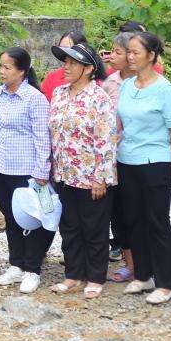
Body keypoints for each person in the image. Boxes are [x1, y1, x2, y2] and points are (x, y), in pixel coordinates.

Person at [118, 32, 171, 305]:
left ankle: (166, 281)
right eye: (129, 52)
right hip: (127, 160)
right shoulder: (127, 86)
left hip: (155, 162)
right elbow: (121, 125)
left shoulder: (165, 90)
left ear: (151, 55)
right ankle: (143, 274)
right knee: (133, 219)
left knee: (157, 221)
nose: (131, 56)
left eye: (136, 52)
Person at [48, 41, 118, 298]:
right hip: (65, 173)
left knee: (94, 228)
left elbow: (106, 139)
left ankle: (96, 277)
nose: (65, 67)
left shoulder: (99, 97)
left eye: (72, 63)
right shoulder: (58, 93)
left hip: (91, 176)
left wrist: (101, 178)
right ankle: (73, 274)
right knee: (69, 227)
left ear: (88, 68)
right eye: (65, 62)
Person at [0, 46, 53, 294]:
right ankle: (15, 264)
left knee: (33, 219)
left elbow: (42, 137)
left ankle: (32, 269)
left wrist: (42, 170)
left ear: (22, 71)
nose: (1, 71)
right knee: (11, 218)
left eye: (7, 67)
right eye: (0, 66)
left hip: (26, 169)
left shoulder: (35, 98)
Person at [106, 31, 135, 282]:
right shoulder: (109, 83)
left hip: (136, 155)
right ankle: (129, 263)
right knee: (119, 213)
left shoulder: (146, 81)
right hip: (112, 157)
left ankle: (145, 261)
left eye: (118, 52)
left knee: (137, 210)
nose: (112, 56)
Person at [40, 29, 88, 102]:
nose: (64, 52)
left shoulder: (93, 83)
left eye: (68, 49)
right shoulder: (52, 77)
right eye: (61, 49)